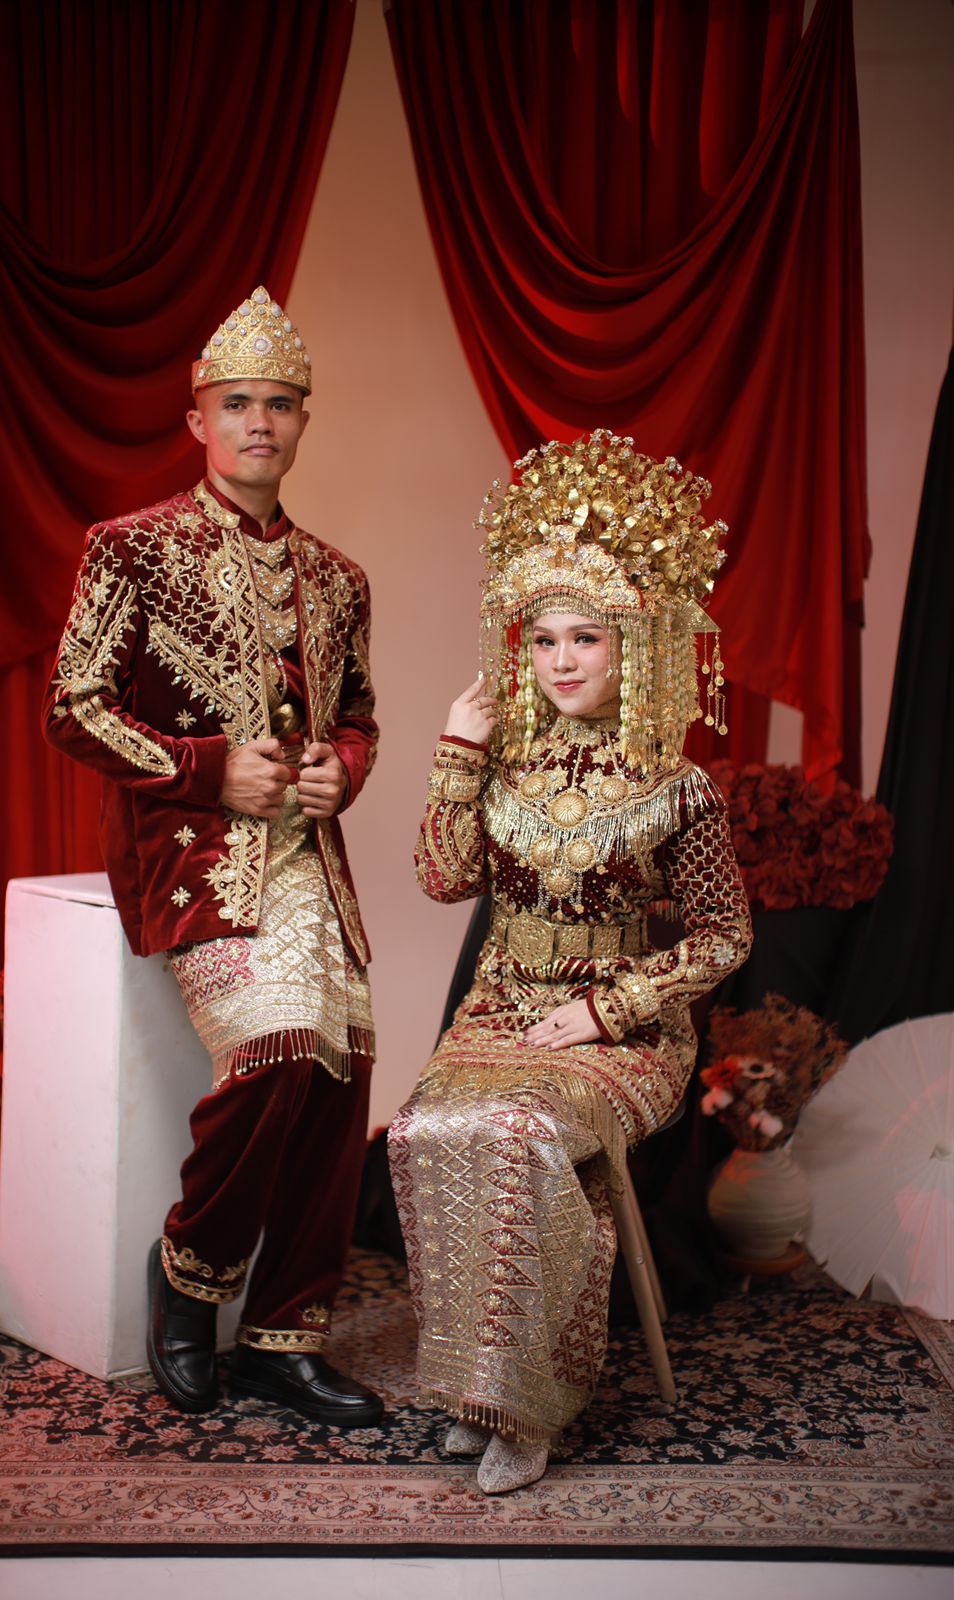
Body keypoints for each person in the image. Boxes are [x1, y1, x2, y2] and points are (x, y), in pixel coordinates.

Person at [389, 428, 752, 1492]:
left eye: (584, 637)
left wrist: (609, 1011)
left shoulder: (676, 782)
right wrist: (457, 752)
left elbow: (723, 936)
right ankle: (476, 1388)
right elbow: (442, 880)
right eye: (542, 638)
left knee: (522, 1135)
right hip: (501, 1004)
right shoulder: (502, 757)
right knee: (421, 1131)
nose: (559, 661)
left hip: (624, 1028)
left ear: (629, 643)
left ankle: (529, 1405)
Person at [43, 286, 383, 1426]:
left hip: (311, 865)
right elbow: (72, 706)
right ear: (198, 419)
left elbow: (358, 716)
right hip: (195, 860)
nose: (258, 423)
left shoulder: (339, 578)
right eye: (237, 403)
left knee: (338, 1078)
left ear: (302, 421)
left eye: (279, 404)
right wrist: (205, 769)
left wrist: (341, 767)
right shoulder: (130, 549)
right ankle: (189, 1275)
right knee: (277, 1048)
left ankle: (286, 1339)